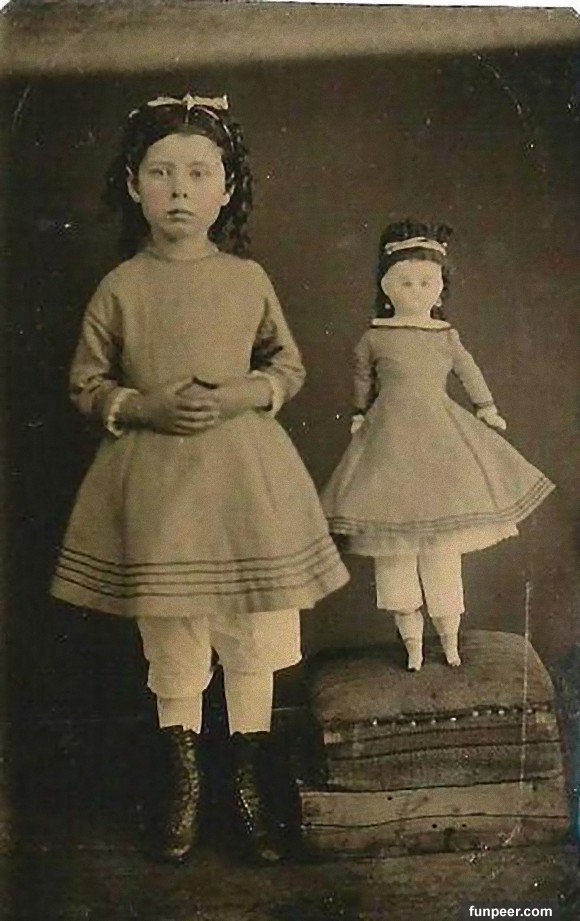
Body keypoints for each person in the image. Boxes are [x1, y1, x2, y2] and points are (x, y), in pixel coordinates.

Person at [51, 91, 349, 863]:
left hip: (246, 482)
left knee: (251, 627)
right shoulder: (121, 286)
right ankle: (180, 786)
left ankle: (249, 785)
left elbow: (286, 365)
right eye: (160, 173)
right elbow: (86, 381)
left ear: (227, 188)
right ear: (132, 185)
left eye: (197, 173)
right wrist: (142, 404)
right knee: (175, 630)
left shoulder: (247, 279)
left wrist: (245, 393)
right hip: (159, 486)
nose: (179, 190)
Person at [322, 219, 554, 672]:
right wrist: (357, 413)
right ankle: (411, 642)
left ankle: (449, 640)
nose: (416, 291)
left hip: (440, 443)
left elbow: (468, 372)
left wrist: (486, 408)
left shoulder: (445, 336)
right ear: (387, 288)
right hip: (389, 444)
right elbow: (362, 378)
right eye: (405, 282)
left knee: (443, 551)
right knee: (394, 552)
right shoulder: (375, 336)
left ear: (440, 290)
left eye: (426, 282)